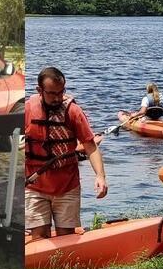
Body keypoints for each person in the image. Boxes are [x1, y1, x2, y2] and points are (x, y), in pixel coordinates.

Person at [25, 67, 108, 241]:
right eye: (52, 93)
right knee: (39, 237)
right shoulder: (27, 110)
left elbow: (90, 146)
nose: (57, 98)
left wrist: (100, 176)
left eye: (61, 92)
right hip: (34, 187)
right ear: (39, 90)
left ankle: (64, 266)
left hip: (67, 186)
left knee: (66, 238)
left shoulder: (73, 111)